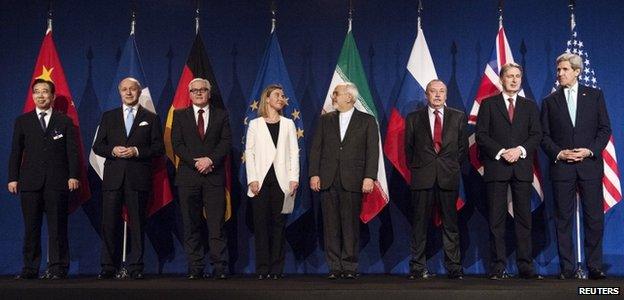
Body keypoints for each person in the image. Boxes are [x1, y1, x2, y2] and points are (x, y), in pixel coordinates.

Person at [541, 53, 611, 280]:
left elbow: (604, 129)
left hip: (589, 165)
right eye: (558, 69)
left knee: (593, 218)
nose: (560, 73)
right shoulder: (549, 101)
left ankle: (594, 266)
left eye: (564, 70)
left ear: (577, 71)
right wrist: (559, 153)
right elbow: (544, 136)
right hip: (562, 168)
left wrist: (590, 150)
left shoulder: (594, 96)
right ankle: (567, 268)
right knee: (563, 219)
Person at [92, 77, 164, 280]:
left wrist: (136, 150)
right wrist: (113, 150)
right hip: (113, 178)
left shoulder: (150, 118)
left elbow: (159, 148)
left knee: (138, 224)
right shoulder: (109, 117)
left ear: (139, 92)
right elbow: (98, 146)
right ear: (119, 92)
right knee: (109, 223)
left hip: (138, 178)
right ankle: (108, 266)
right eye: (124, 89)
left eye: (132, 89)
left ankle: (135, 266)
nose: (129, 92)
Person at [475, 63, 543, 280]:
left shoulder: (529, 106)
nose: (514, 80)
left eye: (517, 76)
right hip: (497, 168)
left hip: (522, 169)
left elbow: (536, 135)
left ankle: (525, 266)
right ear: (501, 79)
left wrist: (520, 150)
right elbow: (481, 135)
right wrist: (503, 151)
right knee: (496, 220)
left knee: (524, 220)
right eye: (510, 76)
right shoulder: (488, 104)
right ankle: (498, 267)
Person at [8, 78, 79, 280]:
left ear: (53, 96)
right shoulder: (23, 121)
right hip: (30, 183)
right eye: (37, 92)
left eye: (45, 91)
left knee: (57, 228)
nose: (40, 95)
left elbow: (72, 153)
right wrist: (13, 178)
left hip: (57, 182)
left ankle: (58, 268)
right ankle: (30, 269)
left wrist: (73, 175)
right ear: (32, 96)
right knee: (31, 227)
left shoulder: (64, 121)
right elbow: (16, 152)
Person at [309, 82, 379, 280]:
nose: (333, 97)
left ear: (349, 97)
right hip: (328, 179)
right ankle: (334, 266)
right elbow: (316, 149)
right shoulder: (325, 120)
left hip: (354, 179)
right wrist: (314, 173)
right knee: (330, 225)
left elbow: (372, 152)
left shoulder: (366, 120)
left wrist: (369, 176)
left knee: (350, 225)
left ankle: (349, 265)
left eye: (336, 94)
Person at [404, 79, 467, 280]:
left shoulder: (458, 117)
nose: (438, 95)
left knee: (450, 225)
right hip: (423, 178)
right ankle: (417, 267)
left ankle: (454, 267)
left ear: (446, 95)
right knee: (419, 224)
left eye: (441, 91)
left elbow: (462, 149)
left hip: (448, 178)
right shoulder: (414, 118)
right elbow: (409, 149)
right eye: (433, 91)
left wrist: (447, 166)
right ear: (427, 95)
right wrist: (423, 167)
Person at [171, 78, 231, 280]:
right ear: (189, 94)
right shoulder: (180, 116)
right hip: (189, 177)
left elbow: (226, 142)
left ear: (209, 93)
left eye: (202, 90)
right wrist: (196, 162)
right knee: (191, 224)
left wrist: (210, 160)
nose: (198, 93)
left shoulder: (221, 115)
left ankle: (220, 267)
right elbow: (177, 144)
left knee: (216, 225)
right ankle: (195, 267)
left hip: (213, 177)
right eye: (194, 90)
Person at [245, 84, 300, 280]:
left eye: (282, 95)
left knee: (279, 226)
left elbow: (294, 152)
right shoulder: (255, 124)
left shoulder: (288, 124)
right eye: (277, 95)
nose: (281, 98)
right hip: (260, 182)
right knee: (261, 226)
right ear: (267, 99)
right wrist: (252, 178)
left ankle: (276, 269)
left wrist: (294, 178)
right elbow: (249, 153)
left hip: (282, 182)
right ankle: (262, 269)